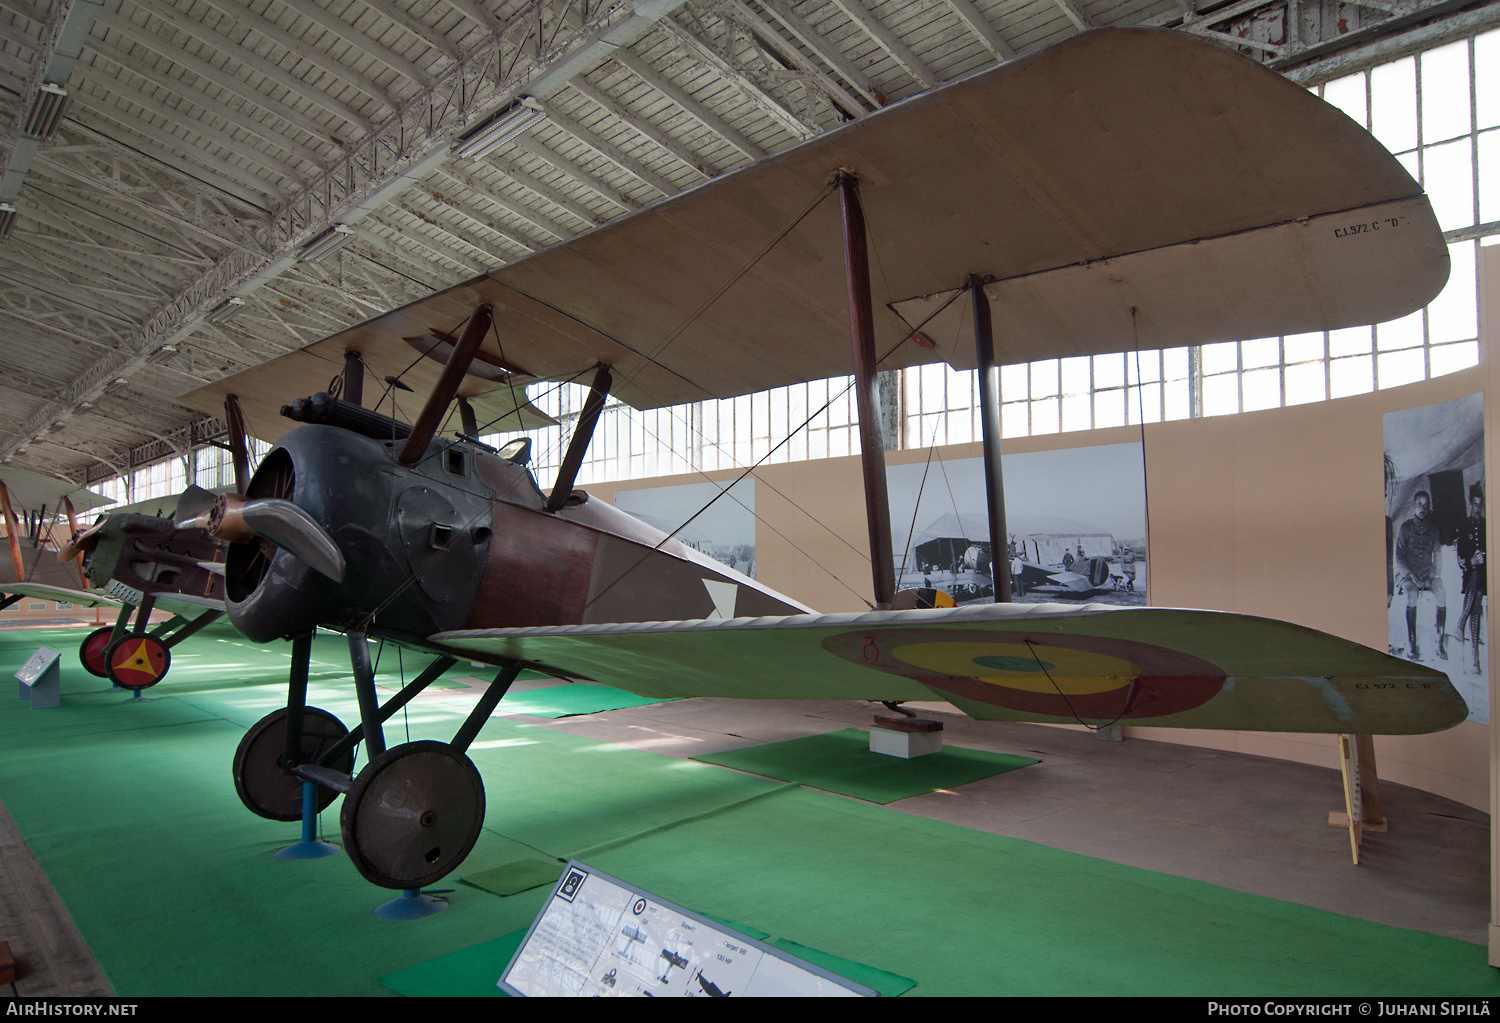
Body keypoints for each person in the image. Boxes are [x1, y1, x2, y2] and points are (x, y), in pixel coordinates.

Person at [1395, 490, 1447, 660]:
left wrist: (1432, 575)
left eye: (1426, 505)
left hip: (1427, 574)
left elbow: (1437, 554)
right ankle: (1411, 644)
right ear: (1413, 506)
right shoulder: (1406, 527)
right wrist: (1413, 576)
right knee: (1412, 593)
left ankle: (1439, 643)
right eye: (1419, 504)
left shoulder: (1434, 529)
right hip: (1408, 575)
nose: (1423, 508)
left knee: (1441, 594)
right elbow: (1399, 557)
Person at [1457, 484, 1486, 674]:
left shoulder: (1487, 524)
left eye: (1480, 504)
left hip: (1486, 575)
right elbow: (1460, 558)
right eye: (1474, 504)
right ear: (1470, 504)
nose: (1477, 508)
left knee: (1478, 580)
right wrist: (1472, 561)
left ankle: (1461, 622)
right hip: (1471, 576)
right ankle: (1475, 658)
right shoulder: (1464, 525)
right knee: (1476, 601)